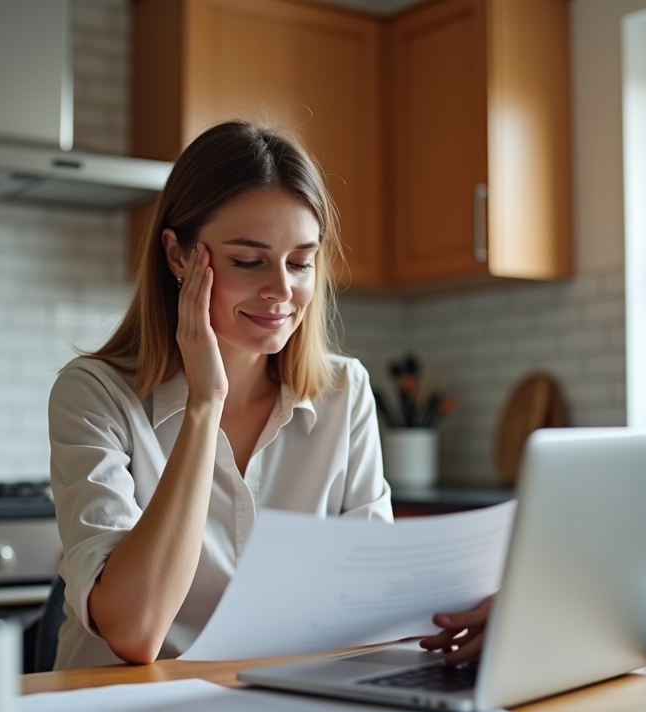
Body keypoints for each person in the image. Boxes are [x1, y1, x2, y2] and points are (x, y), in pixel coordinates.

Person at [47, 120, 482, 670]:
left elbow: (373, 606)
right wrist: (205, 406)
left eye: (301, 262)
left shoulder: (344, 393)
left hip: (281, 710)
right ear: (179, 257)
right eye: (248, 261)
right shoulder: (94, 395)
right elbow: (135, 631)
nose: (281, 290)